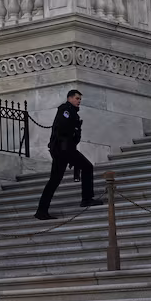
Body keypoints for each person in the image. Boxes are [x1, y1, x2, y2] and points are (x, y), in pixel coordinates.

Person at [34, 89, 102, 219]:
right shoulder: (66, 110)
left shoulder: (71, 111)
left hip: (63, 150)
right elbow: (63, 130)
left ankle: (41, 210)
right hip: (64, 149)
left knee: (54, 180)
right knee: (87, 167)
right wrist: (68, 151)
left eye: (80, 99)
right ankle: (87, 198)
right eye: (77, 98)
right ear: (70, 98)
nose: (79, 101)